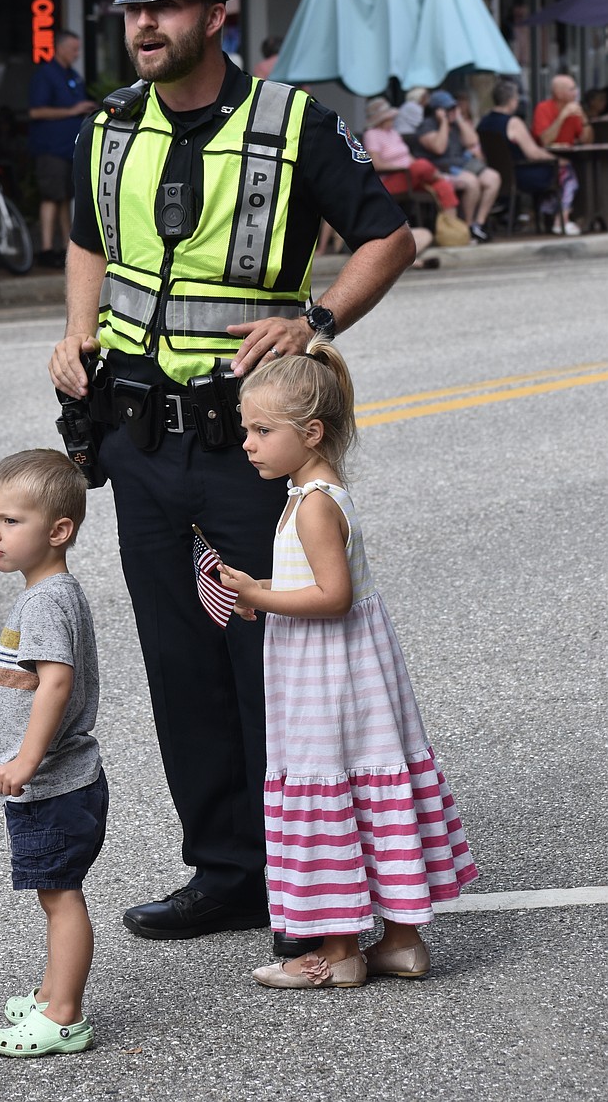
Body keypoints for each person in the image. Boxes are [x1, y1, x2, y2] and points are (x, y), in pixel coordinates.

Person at [48, 0, 416, 957]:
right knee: (181, 661)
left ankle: (314, 885)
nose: (143, 25)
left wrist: (319, 321)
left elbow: (390, 238)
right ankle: (226, 874)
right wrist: (75, 328)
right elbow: (86, 238)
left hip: (250, 448)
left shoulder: (298, 126)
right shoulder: (110, 127)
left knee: (276, 660)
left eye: (164, 6)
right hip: (138, 442)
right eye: (131, 9)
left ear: (217, 16)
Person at [217, 339, 478, 989]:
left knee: (327, 784)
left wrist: (257, 595)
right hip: (352, 665)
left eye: (261, 430)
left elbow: (330, 598)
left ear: (311, 431)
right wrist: (266, 600)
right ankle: (402, 941)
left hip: (324, 674)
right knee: (365, 784)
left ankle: (339, 952)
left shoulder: (312, 506)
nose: (247, 442)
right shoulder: (317, 490)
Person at [0, 448, 108, 1059]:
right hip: (51, 782)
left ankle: (63, 1015)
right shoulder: (45, 592)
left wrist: (27, 761)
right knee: (53, 893)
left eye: (10, 521)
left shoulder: (46, 601)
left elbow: (56, 682)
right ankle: (50, 994)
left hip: (55, 784)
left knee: (61, 897)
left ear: (58, 532)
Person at [28, 31, 97, 268]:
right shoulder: (46, 75)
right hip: (50, 148)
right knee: (51, 197)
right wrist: (71, 111)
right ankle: (46, 249)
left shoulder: (73, 76)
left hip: (70, 148)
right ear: (60, 48)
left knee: (65, 197)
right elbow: (35, 112)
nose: (77, 54)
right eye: (74, 49)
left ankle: (68, 250)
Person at [478, 77, 580, 235]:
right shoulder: (513, 122)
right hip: (521, 173)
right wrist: (556, 159)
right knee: (566, 170)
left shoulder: (483, 122)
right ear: (512, 100)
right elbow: (533, 152)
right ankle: (561, 220)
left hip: (500, 174)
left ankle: (548, 214)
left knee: (556, 171)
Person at [415, 89, 501, 243]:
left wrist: (460, 119)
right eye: (448, 109)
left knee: (493, 178)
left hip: (462, 164)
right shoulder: (427, 126)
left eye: (453, 107)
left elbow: (472, 141)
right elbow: (439, 148)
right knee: (471, 182)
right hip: (442, 167)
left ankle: (478, 224)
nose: (452, 111)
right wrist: (443, 123)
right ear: (437, 110)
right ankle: (467, 227)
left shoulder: (457, 123)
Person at [363, 97, 460, 213]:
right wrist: (404, 168)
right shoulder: (371, 134)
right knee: (421, 165)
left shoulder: (393, 133)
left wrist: (414, 167)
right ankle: (440, 175)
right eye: (390, 116)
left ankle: (453, 228)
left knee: (444, 186)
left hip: (411, 177)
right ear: (382, 119)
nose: (393, 119)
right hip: (390, 179)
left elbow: (407, 156)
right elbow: (376, 164)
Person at [532, 74, 594, 148]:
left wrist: (584, 119)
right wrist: (562, 116)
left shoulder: (574, 110)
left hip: (569, 155)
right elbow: (545, 140)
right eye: (572, 90)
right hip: (547, 156)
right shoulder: (543, 108)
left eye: (576, 89)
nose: (576, 93)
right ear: (559, 94)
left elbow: (587, 142)